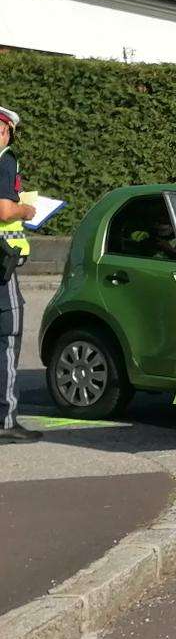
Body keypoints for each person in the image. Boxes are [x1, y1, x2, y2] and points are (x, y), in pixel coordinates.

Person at [0, 108, 39, 442]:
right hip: (1, 262)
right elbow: (4, 209)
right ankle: (5, 421)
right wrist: (26, 209)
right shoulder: (5, 159)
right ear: (5, 132)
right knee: (8, 334)